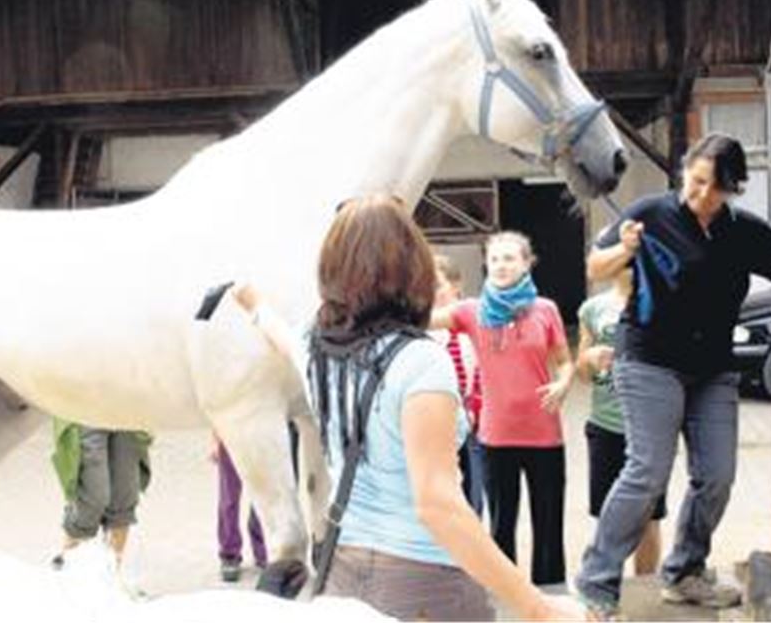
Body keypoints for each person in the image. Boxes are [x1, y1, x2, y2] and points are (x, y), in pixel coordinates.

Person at [233, 194, 584, 621]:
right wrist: (538, 607)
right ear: (412, 266)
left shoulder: (318, 346)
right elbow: (437, 504)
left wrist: (253, 305)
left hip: (342, 572)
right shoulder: (421, 361)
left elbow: (284, 340)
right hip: (425, 584)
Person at [574, 132, 771, 619]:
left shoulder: (745, 232)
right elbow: (596, 265)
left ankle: (684, 573)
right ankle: (596, 581)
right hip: (649, 360)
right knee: (647, 471)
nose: (700, 193)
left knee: (718, 476)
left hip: (713, 369)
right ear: (685, 171)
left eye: (713, 187)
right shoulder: (650, 213)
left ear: (732, 188)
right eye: (695, 180)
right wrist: (624, 249)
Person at [432, 231, 575, 586]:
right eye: (494, 259)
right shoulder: (471, 310)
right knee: (501, 525)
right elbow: (422, 319)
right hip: (496, 437)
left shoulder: (546, 309)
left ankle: (550, 594)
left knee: (549, 524)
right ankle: (505, 594)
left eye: (510, 258)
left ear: (527, 263)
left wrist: (563, 383)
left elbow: (564, 360)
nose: (501, 265)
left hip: (544, 434)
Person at [576, 266, 663, 577]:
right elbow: (582, 374)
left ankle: (646, 586)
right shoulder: (593, 308)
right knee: (607, 513)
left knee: (649, 517)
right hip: (605, 425)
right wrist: (589, 358)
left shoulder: (662, 300)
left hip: (649, 428)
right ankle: (606, 584)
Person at [51, 421, 151, 572]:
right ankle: (66, 568)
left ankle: (113, 574)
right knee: (92, 497)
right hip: (86, 412)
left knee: (124, 495)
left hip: (129, 413)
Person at [432, 254, 486, 516]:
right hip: (436, 418)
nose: (430, 292)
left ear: (456, 287)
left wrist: (475, 407)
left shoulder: (471, 324)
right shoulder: (422, 331)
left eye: (437, 285)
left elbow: (484, 372)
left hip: (470, 418)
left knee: (473, 490)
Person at [212, 435, 267, 582]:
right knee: (229, 497)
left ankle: (262, 547)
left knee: (261, 493)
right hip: (230, 435)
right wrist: (216, 440)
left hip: (260, 434)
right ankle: (229, 554)